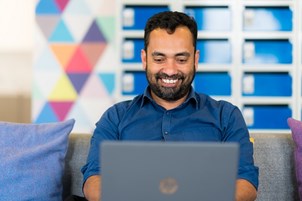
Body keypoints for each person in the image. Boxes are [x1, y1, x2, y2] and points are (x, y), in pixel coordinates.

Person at [77, 11, 259, 201]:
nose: (170, 70)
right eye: (159, 59)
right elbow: (93, 182)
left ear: (195, 60)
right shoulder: (116, 117)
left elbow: (246, 184)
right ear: (144, 59)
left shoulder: (226, 116)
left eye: (181, 59)